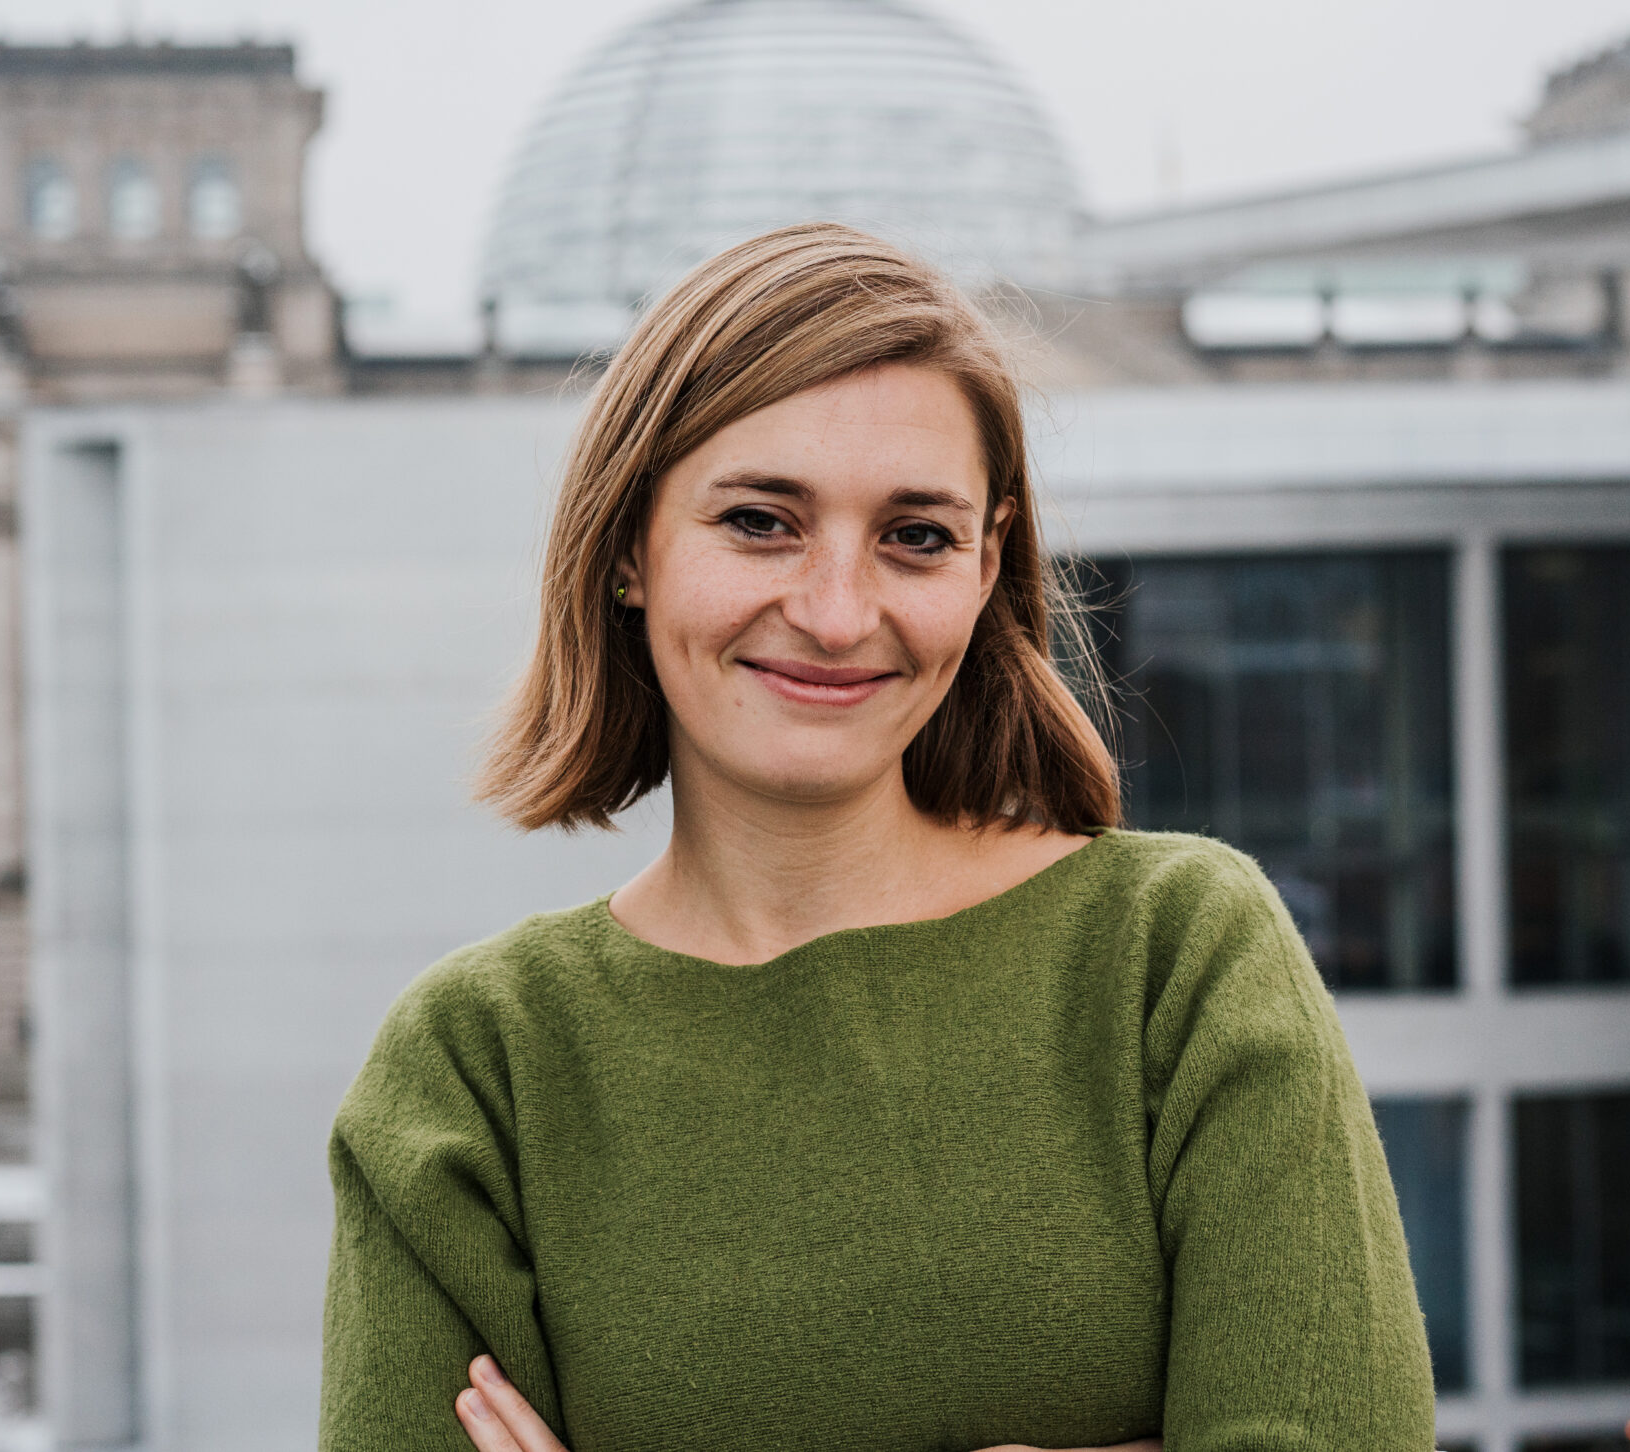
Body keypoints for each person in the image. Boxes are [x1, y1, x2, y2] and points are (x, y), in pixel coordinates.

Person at [318, 224, 1435, 1452]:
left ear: (986, 565)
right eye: (761, 521)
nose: (838, 613)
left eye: (916, 537)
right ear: (630, 547)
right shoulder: (478, 1067)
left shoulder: (1176, 959)